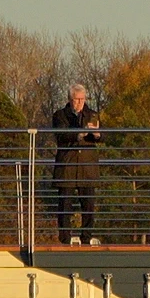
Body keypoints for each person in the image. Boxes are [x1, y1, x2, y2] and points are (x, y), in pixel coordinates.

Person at [48, 83, 103, 243]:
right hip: (68, 166)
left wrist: (97, 135)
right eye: (76, 99)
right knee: (65, 205)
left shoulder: (92, 114)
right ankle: (65, 238)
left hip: (87, 167)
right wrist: (77, 135)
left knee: (88, 205)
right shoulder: (60, 115)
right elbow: (60, 134)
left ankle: (86, 237)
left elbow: (103, 136)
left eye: (82, 99)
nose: (80, 102)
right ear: (70, 99)